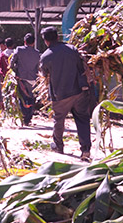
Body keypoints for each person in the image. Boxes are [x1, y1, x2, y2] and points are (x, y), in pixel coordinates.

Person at [39, 26, 91, 159]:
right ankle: (85, 149)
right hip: (79, 91)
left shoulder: (45, 56)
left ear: (46, 41)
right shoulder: (72, 49)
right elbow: (81, 67)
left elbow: (44, 74)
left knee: (59, 119)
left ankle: (59, 146)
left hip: (60, 95)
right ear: (58, 37)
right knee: (82, 119)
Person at [10, 32, 41, 126]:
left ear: (24, 42)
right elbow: (39, 67)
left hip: (21, 78)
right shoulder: (37, 53)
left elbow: (11, 63)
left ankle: (24, 116)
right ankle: (28, 118)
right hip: (33, 79)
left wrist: (15, 71)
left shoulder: (19, 50)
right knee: (31, 98)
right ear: (33, 42)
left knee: (23, 98)